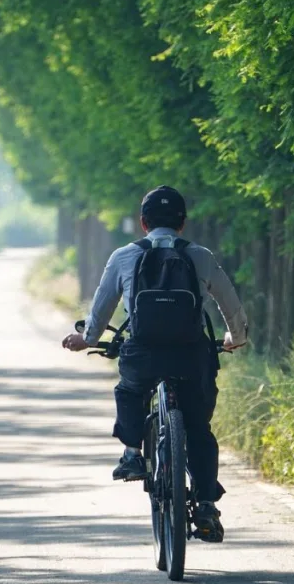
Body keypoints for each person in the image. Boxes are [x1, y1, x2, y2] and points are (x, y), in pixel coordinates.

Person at [62, 186, 248, 540]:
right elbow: (230, 303)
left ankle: (132, 453)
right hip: (192, 356)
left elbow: (101, 308)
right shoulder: (200, 255)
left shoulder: (124, 256)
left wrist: (86, 338)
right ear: (183, 223)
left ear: (143, 223)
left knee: (130, 389)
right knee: (198, 429)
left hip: (143, 353)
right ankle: (206, 504)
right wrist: (234, 338)